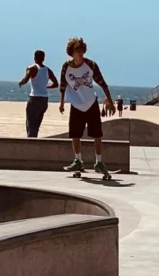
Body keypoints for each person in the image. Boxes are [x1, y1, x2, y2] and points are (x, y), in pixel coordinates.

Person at [58, 37, 116, 174]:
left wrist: (110, 100)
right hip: (76, 105)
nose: (81, 55)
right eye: (78, 52)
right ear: (72, 52)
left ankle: (99, 162)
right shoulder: (66, 67)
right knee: (75, 134)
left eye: (82, 52)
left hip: (91, 103)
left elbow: (102, 83)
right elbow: (62, 85)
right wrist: (61, 103)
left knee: (97, 134)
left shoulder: (91, 65)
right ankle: (78, 160)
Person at [18, 50, 59, 138]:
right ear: (43, 58)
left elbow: (26, 79)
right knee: (37, 124)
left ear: (34, 57)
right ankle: (34, 139)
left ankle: (31, 143)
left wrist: (20, 83)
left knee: (30, 123)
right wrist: (46, 87)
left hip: (35, 98)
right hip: (44, 100)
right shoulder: (48, 70)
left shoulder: (32, 68)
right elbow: (56, 84)